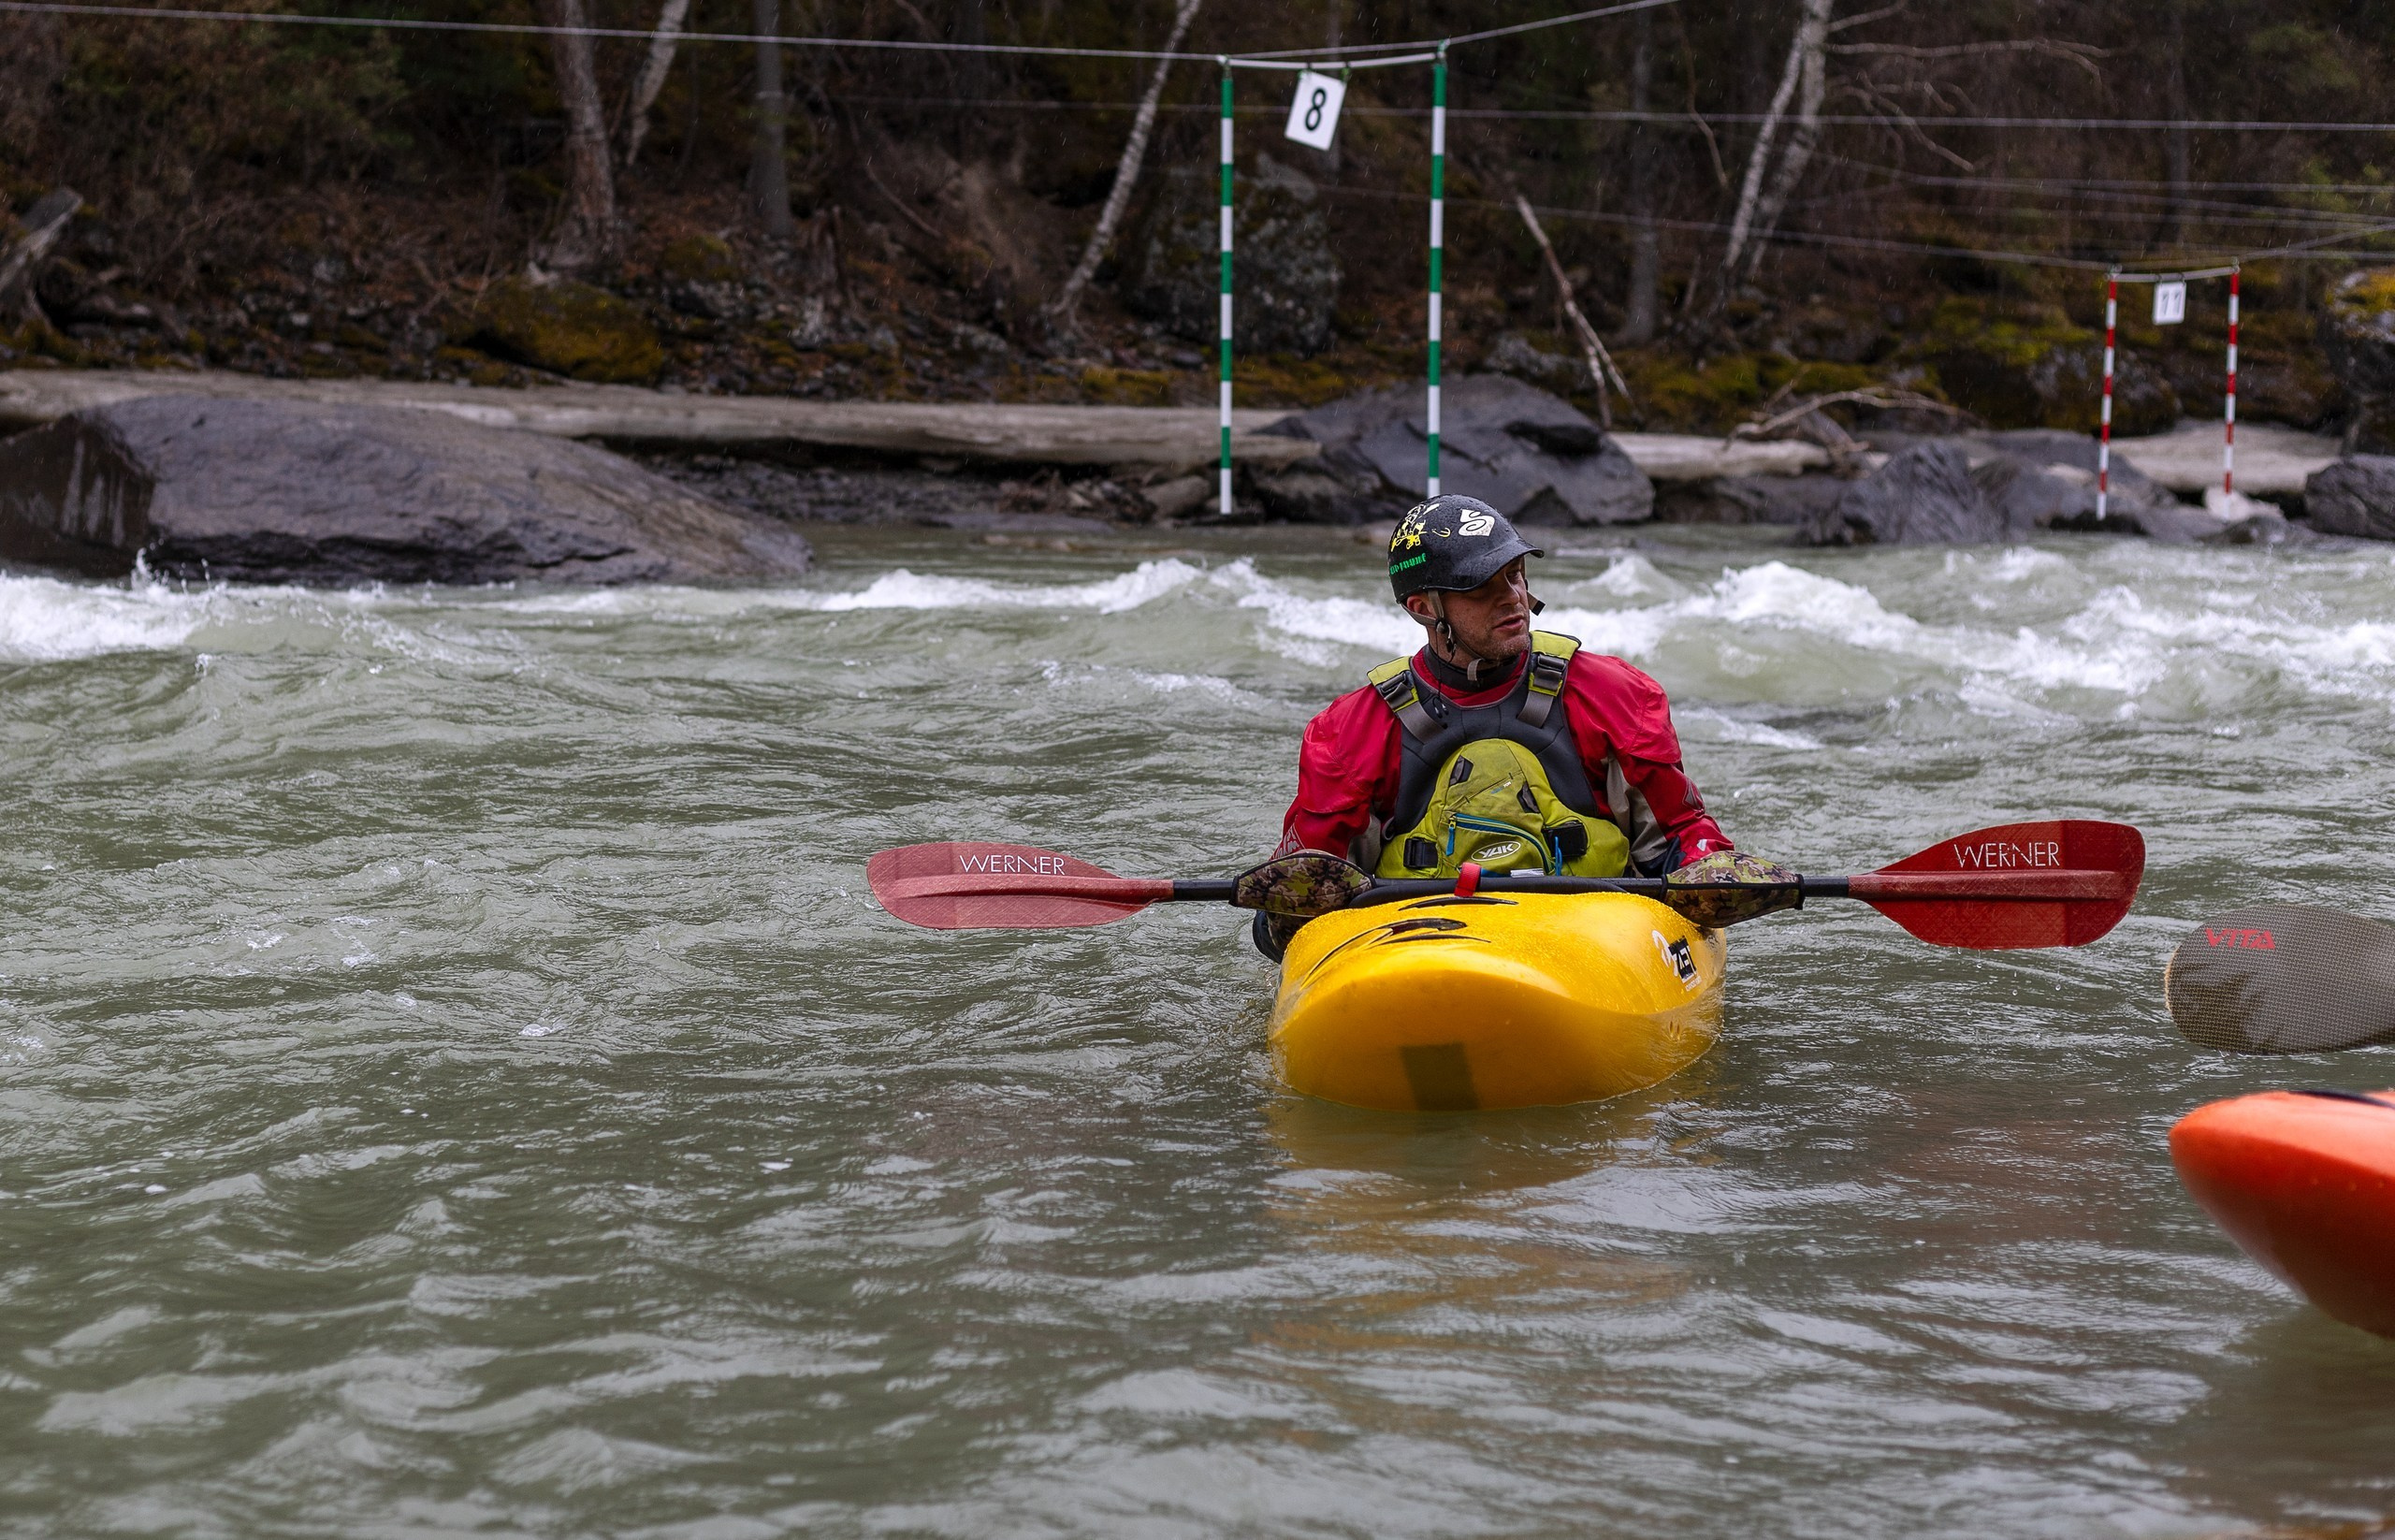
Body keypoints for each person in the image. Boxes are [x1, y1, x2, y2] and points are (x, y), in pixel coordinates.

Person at [1256, 493, 1776, 959]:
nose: (1513, 597)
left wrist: (1709, 866)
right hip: (1423, 944)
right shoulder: (1349, 729)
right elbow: (1308, 885)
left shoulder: (1615, 693)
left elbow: (1682, 835)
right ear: (1422, 607)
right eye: (1481, 586)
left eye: (1515, 573)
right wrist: (1284, 903)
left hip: (1595, 936)